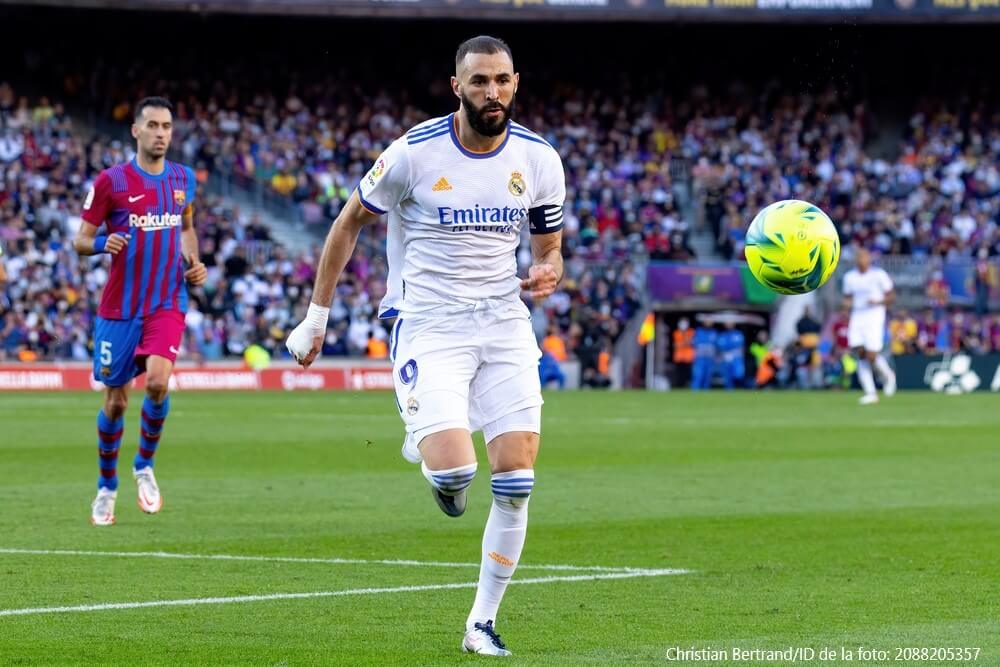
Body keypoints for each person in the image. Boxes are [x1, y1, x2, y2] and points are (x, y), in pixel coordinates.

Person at [285, 36, 564, 657]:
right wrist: (317, 316)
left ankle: (481, 623)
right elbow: (348, 222)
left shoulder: (541, 160)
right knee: (457, 472)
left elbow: (549, 247)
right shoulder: (414, 152)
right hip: (430, 323)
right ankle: (434, 451)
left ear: (515, 82)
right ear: (456, 86)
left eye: (501, 81)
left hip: (503, 322)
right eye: (479, 81)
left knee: (517, 479)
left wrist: (550, 269)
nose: (491, 92)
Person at [74, 97, 207, 526]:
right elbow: (80, 239)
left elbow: (186, 228)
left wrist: (194, 262)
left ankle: (144, 465)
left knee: (157, 381)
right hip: (118, 310)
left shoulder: (183, 179)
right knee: (115, 403)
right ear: (135, 130)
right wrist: (100, 245)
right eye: (152, 125)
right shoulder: (111, 182)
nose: (160, 133)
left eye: (166, 125)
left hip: (166, 301)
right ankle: (107, 486)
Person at [841, 247, 896, 405]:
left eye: (864, 257)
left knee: (871, 355)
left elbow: (891, 296)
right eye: (858, 257)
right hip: (857, 316)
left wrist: (878, 302)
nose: (861, 260)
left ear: (869, 259)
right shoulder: (849, 277)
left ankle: (888, 375)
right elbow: (847, 297)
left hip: (874, 316)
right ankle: (871, 393)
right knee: (859, 353)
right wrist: (845, 310)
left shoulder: (878, 275)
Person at [716, 321, 745, 390]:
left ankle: (739, 388)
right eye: (727, 323)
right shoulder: (722, 335)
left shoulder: (738, 334)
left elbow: (740, 345)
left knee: (738, 374)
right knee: (727, 376)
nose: (729, 325)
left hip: (736, 357)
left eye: (730, 323)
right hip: (726, 357)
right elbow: (720, 346)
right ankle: (729, 390)